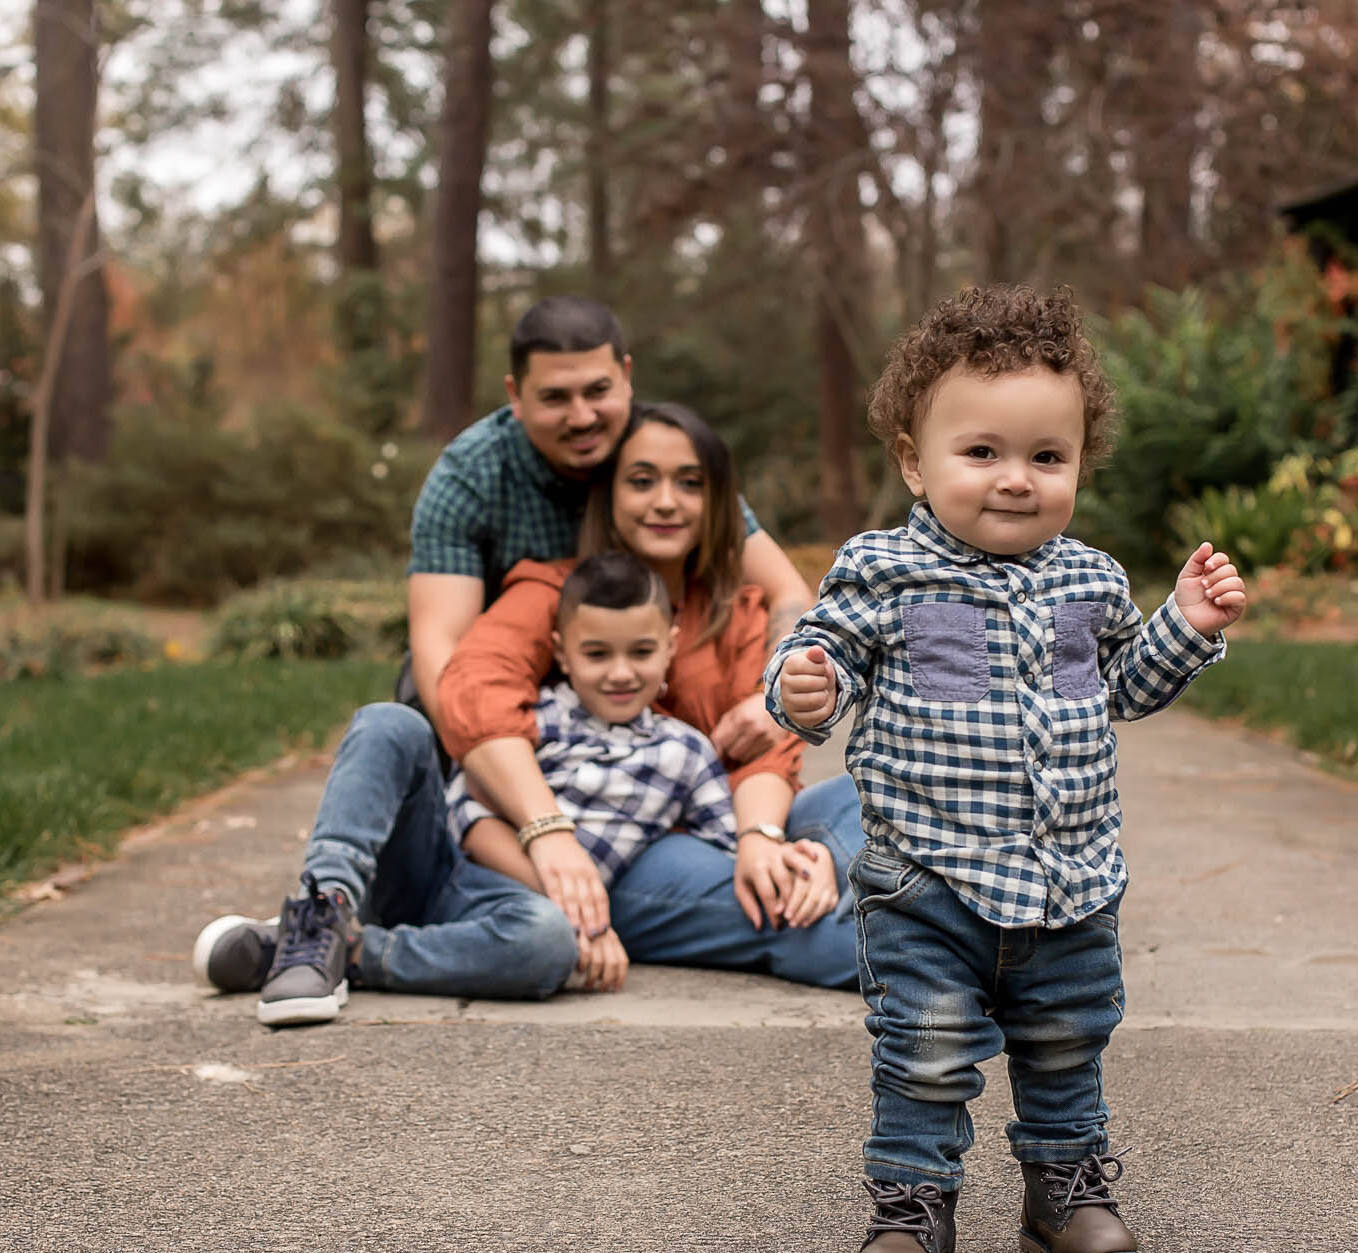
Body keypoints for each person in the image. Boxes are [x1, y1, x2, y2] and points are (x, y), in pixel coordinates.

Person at [765, 284, 1249, 1253]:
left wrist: (1185, 625)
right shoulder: (881, 570)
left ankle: (1061, 1193)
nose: (1016, 480)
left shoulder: (1090, 579)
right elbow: (827, 661)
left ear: (1078, 463)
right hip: (926, 882)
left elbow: (1124, 687)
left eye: (1046, 456)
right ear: (913, 460)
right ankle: (911, 1208)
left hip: (1067, 880)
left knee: (1066, 1041)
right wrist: (804, 684)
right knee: (925, 1050)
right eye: (980, 453)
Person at [189, 552, 751, 1021]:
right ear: (560, 652)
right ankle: (322, 911)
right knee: (391, 723)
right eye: (597, 654)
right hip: (436, 872)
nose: (621, 672)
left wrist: (772, 847)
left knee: (547, 945)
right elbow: (464, 809)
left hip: (515, 917)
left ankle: (346, 954)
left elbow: (720, 850)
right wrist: (582, 910)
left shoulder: (686, 751)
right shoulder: (533, 717)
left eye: (641, 652)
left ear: (671, 645)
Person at [437, 401, 862, 989]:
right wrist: (548, 831)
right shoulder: (559, 592)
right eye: (642, 482)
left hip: (737, 813)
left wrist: (767, 840)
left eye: (690, 484)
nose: (666, 502)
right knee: (794, 913)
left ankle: (848, 880)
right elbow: (474, 695)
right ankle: (940, 961)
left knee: (877, 792)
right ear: (608, 492)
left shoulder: (736, 610)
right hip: (637, 841)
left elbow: (767, 753)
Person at [405, 296, 811, 767]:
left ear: (626, 376)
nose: (581, 418)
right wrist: (491, 763)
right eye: (555, 397)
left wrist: (770, 699)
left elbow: (786, 590)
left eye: (597, 391)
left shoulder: (662, 454)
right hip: (507, 668)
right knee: (420, 706)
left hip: (628, 670)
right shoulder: (469, 477)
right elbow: (441, 647)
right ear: (515, 395)